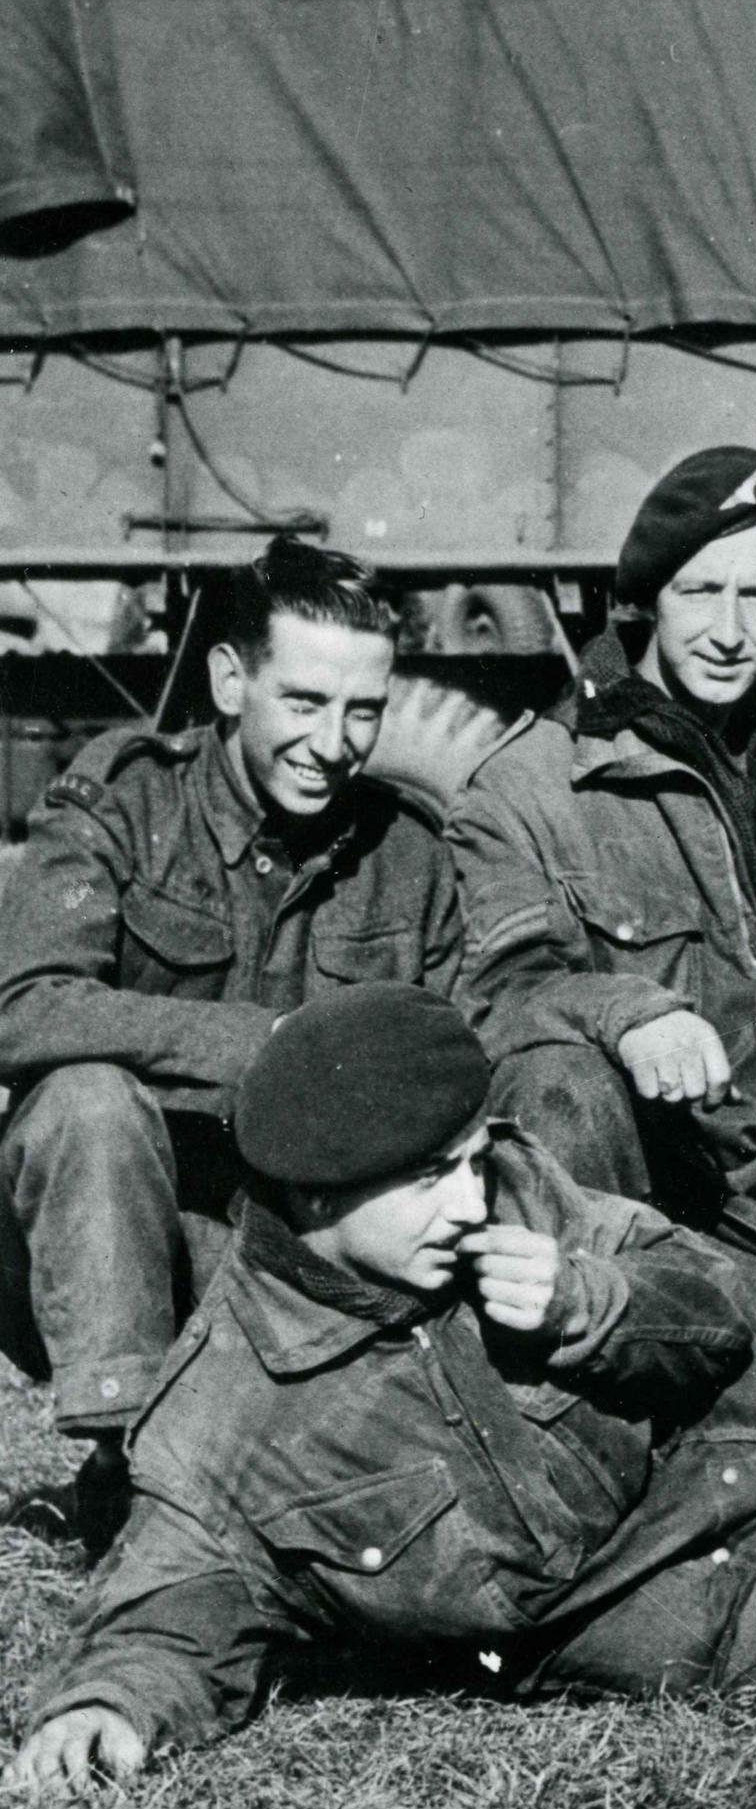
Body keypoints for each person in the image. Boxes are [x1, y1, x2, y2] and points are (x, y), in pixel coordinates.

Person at [1, 987, 756, 1799]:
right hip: (653, 1616)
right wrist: (107, 1705)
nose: (470, 1201)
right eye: (428, 1179)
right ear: (315, 1194)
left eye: (468, 1160)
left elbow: (714, 1306)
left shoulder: (510, 1186)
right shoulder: (218, 1421)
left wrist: (587, 1303)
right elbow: (165, 1609)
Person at [0, 541, 593, 1548]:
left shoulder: (405, 854)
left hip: (291, 1252)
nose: (336, 741)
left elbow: (455, 1062)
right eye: (305, 703)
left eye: (364, 710)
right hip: (104, 1239)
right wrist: (269, 1047)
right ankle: (129, 1466)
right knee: (87, 1097)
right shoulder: (124, 800)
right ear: (231, 682)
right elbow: (23, 1006)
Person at [445, 448, 756, 1349]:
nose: (729, 630)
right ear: (646, 599)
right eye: (700, 592)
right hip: (663, 1260)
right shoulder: (533, 790)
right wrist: (628, 1014)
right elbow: (491, 1007)